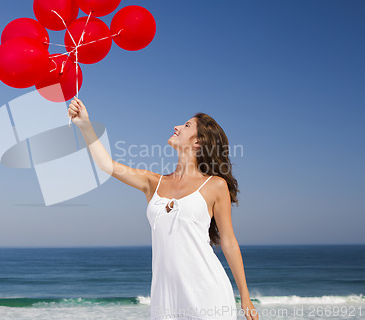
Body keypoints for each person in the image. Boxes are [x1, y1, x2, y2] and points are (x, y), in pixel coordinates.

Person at [68, 96, 258, 320]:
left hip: (207, 294)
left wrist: (245, 297)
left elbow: (229, 242)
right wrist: (85, 125)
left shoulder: (215, 185)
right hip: (165, 299)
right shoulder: (153, 182)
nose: (176, 127)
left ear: (198, 142)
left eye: (186, 125)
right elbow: (107, 165)